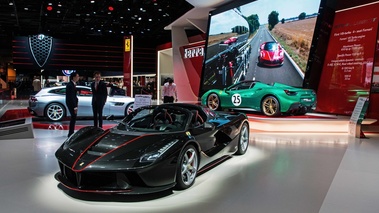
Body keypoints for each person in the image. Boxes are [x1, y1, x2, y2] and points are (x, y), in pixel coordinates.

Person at [65, 72, 80, 137]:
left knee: (73, 118)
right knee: (73, 117)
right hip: (72, 104)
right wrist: (74, 106)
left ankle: (71, 132)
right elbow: (71, 96)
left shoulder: (72, 84)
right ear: (73, 77)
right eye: (77, 76)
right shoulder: (70, 85)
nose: (78, 78)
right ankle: (71, 133)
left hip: (72, 103)